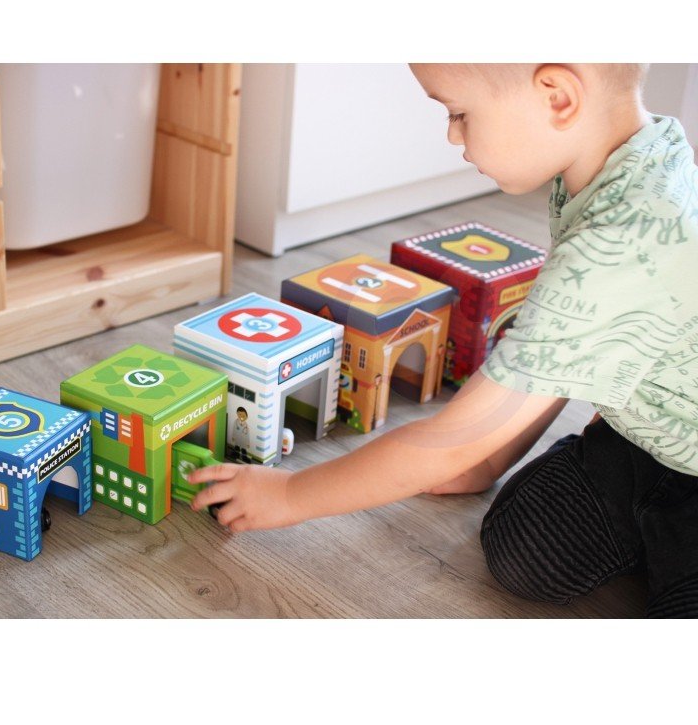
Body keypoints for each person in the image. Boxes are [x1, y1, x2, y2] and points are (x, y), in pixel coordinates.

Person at [190, 63, 698, 618]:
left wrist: (290, 494)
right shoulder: (629, 159)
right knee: (525, 549)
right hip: (643, 442)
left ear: (557, 97)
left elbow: (451, 441)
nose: (453, 135)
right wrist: (488, 459)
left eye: (459, 113)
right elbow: (559, 354)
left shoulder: (622, 239)